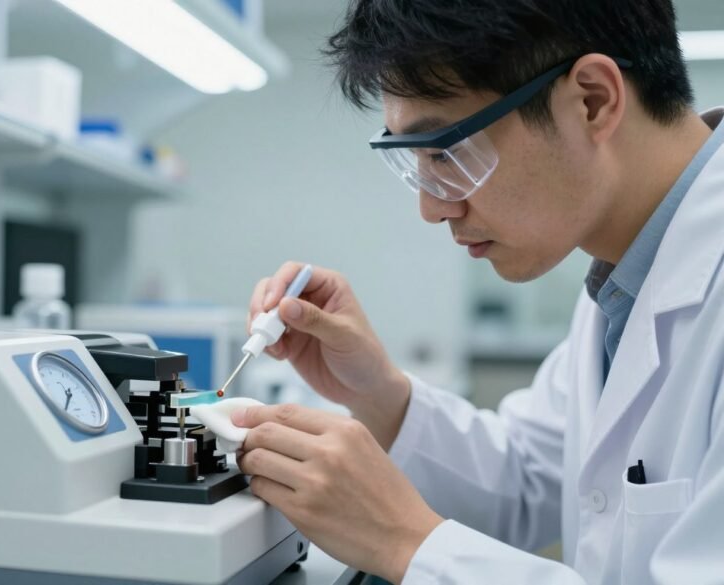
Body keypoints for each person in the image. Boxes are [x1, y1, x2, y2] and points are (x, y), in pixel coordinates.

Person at [231, 1, 724, 583]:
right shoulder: (623, 282)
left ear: (593, 100)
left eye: (447, 153)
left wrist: (403, 540)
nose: (432, 208)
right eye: (417, 164)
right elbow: (526, 481)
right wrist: (379, 393)